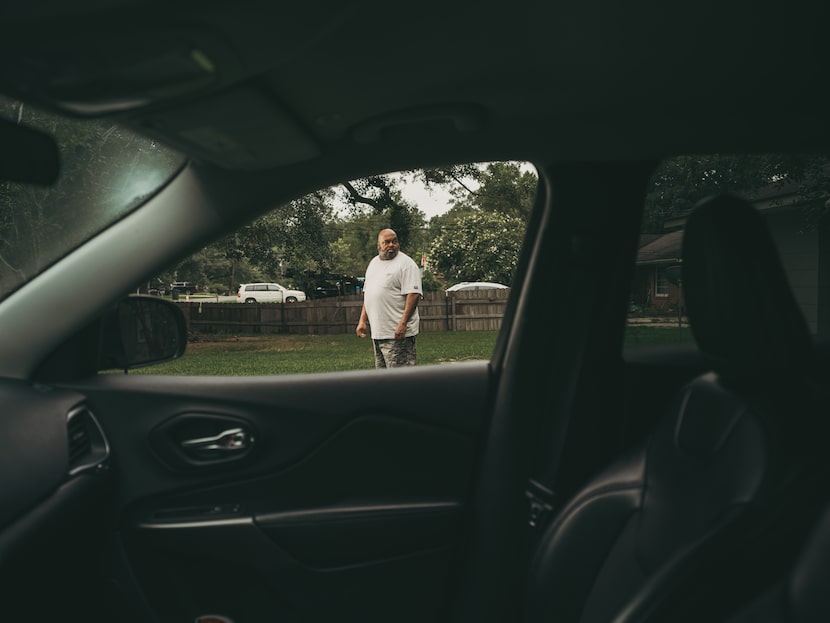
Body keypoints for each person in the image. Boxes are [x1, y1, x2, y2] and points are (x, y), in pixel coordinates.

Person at [356, 228, 423, 367]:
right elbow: (369, 294)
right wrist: (362, 321)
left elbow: (414, 294)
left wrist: (403, 323)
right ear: (379, 245)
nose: (391, 245)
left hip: (397, 333)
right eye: (386, 242)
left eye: (394, 241)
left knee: (400, 379)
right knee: (383, 380)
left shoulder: (406, 264)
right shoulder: (374, 263)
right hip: (378, 332)